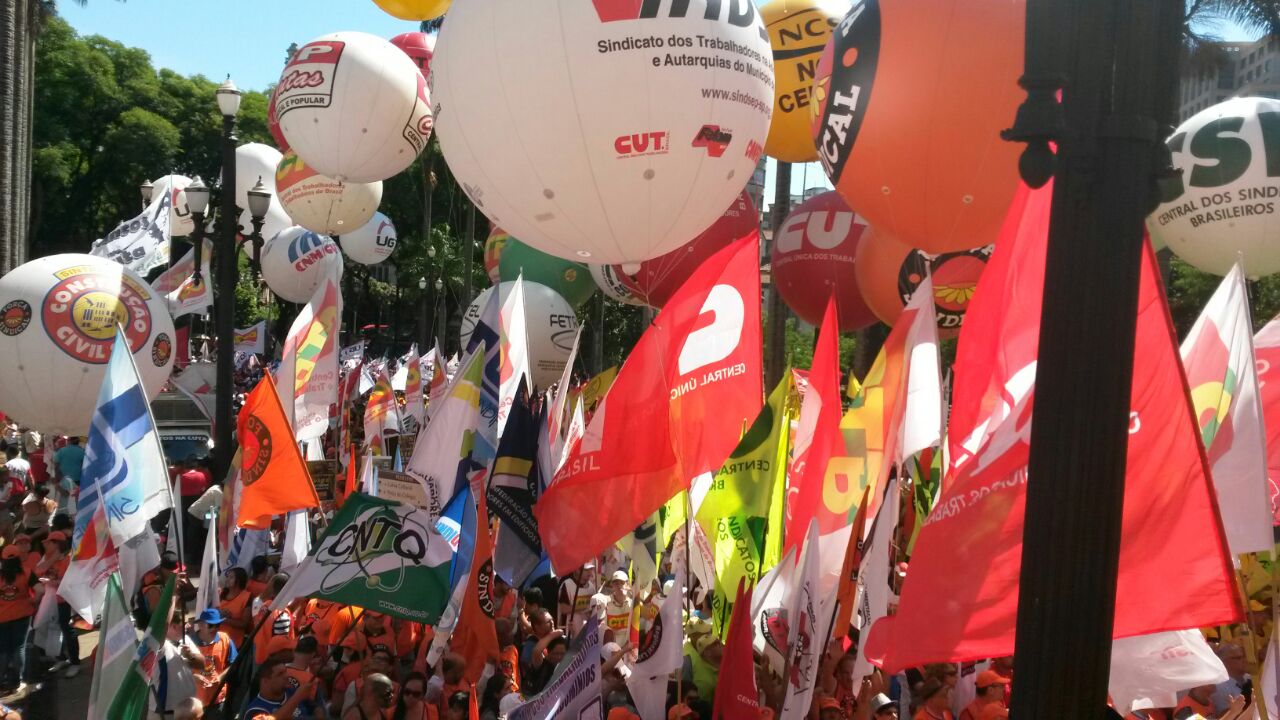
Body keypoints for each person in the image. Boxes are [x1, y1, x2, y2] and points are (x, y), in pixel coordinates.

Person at [36, 530, 78, 678]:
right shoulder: (48, 558)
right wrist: (53, 558)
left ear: (57, 544)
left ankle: (75, 663)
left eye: (49, 542)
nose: (45, 545)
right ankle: (62, 658)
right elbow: (38, 570)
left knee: (67, 629)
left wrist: (53, 582)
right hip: (52, 600)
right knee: (49, 627)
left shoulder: (68, 559)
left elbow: (70, 581)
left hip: (65, 600)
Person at [0, 546, 34, 693]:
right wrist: (33, 601)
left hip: (2, 617)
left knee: (3, 650)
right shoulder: (27, 572)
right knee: (18, 647)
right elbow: (40, 590)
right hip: (22, 615)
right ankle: (17, 681)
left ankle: (1, 680)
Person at [191, 608, 237, 710]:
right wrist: (193, 677)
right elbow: (178, 669)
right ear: (201, 625)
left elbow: (234, 663)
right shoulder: (189, 643)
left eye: (217, 625)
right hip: (195, 700)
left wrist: (221, 677)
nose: (214, 628)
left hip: (217, 697)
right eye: (211, 625)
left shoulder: (225, 639)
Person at [245, 656, 319, 720]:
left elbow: (313, 707)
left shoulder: (291, 691)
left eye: (285, 672)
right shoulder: (255, 710)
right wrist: (298, 697)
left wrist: (319, 712)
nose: (286, 676)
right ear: (265, 681)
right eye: (280, 674)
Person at [254, 573, 296, 664]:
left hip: (259, 655)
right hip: (272, 663)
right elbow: (281, 647)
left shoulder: (265, 606)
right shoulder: (282, 615)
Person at [219, 567, 254, 648]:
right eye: (227, 577)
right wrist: (220, 613)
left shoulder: (247, 597)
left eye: (231, 577)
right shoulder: (222, 593)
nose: (227, 579)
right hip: (217, 638)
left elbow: (244, 624)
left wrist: (224, 619)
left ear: (239, 580)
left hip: (233, 642)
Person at [1212, 642, 1250, 716]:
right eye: (1238, 658)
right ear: (1223, 661)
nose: (1244, 660)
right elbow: (1226, 715)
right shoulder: (1220, 687)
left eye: (1244, 656)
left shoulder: (1250, 678)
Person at [426, 653, 468, 717]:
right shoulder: (436, 685)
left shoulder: (464, 686)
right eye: (458, 672)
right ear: (449, 672)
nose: (461, 675)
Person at [50, 436, 83, 518]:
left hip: (63, 479)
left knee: (63, 499)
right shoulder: (82, 451)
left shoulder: (62, 450)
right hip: (77, 479)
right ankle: (74, 516)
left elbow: (56, 464)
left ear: (69, 441)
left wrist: (57, 477)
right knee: (75, 500)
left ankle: (65, 516)